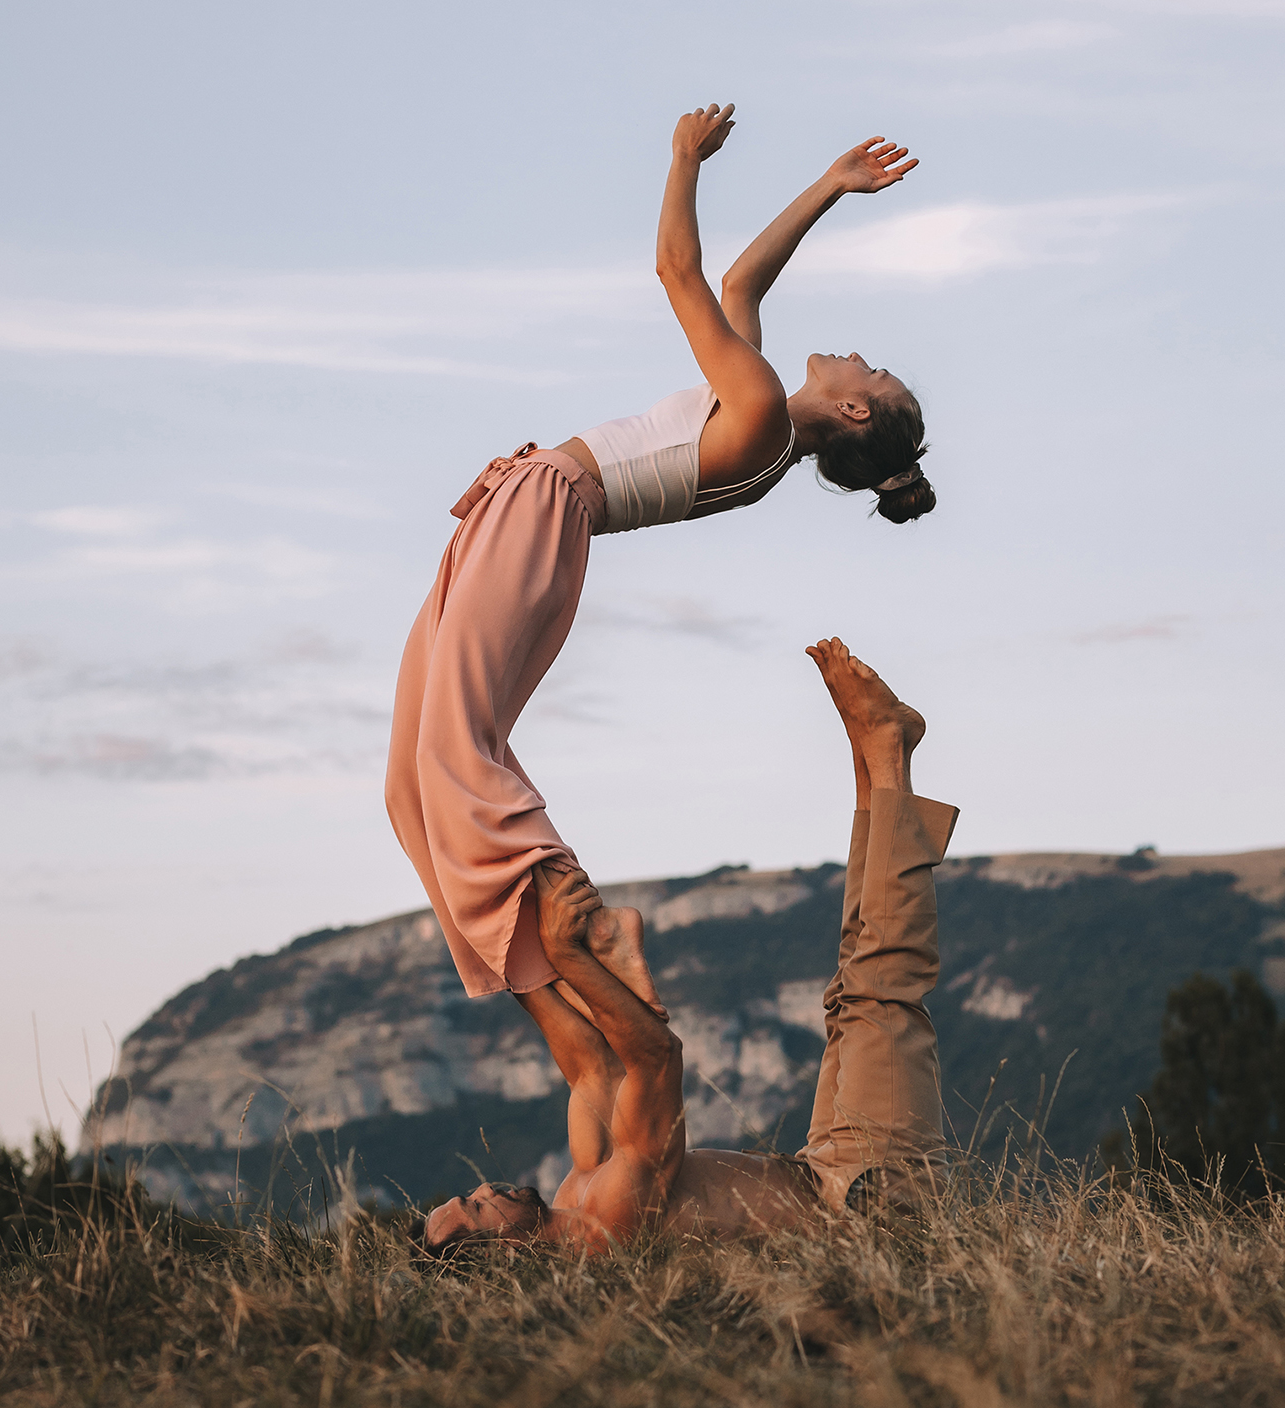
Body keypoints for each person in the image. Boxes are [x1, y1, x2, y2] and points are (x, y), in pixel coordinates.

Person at [386, 103, 937, 1019]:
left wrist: (683, 158)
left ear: (854, 415)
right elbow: (740, 281)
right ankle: (556, 994)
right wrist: (832, 188)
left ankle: (594, 932)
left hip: (543, 507)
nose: (858, 355)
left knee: (457, 749)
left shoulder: (758, 408)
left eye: (871, 374)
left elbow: (678, 271)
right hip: (530, 509)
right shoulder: (755, 414)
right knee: (413, 777)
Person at [425, 638, 960, 1252]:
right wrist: (570, 955)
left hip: (820, 1168)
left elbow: (590, 1065)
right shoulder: (606, 1228)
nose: (484, 1190)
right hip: (870, 1210)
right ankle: (887, 752)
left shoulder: (579, 1190)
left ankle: (873, 761)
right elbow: (656, 1059)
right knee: (881, 984)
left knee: (849, 991)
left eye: (469, 1192)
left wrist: (494, 938)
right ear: (500, 1259)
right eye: (475, 1209)